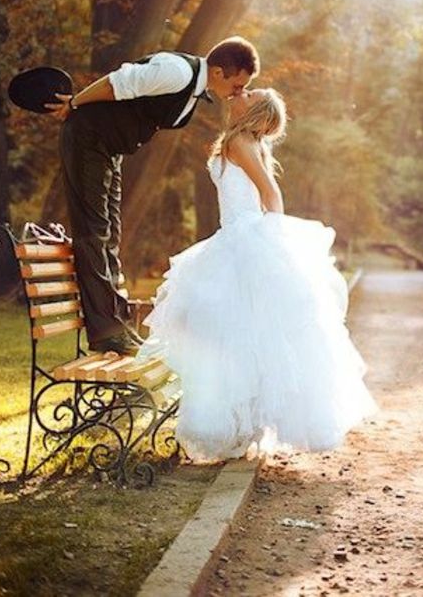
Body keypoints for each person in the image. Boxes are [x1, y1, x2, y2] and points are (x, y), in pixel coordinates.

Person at [137, 87, 376, 463]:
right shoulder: (242, 140)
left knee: (239, 335)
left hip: (244, 237)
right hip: (233, 237)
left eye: (252, 93)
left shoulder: (239, 142)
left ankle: (234, 427)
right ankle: (237, 427)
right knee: (237, 336)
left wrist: (274, 237)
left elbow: (270, 192)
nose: (243, 91)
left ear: (256, 110)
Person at [47, 37, 260, 355]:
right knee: (94, 232)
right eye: (238, 84)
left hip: (109, 150)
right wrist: (74, 104)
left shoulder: (195, 88)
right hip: (87, 139)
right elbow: (117, 83)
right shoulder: (176, 71)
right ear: (218, 72)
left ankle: (118, 324)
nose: (239, 92)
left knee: (110, 235)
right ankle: (105, 332)